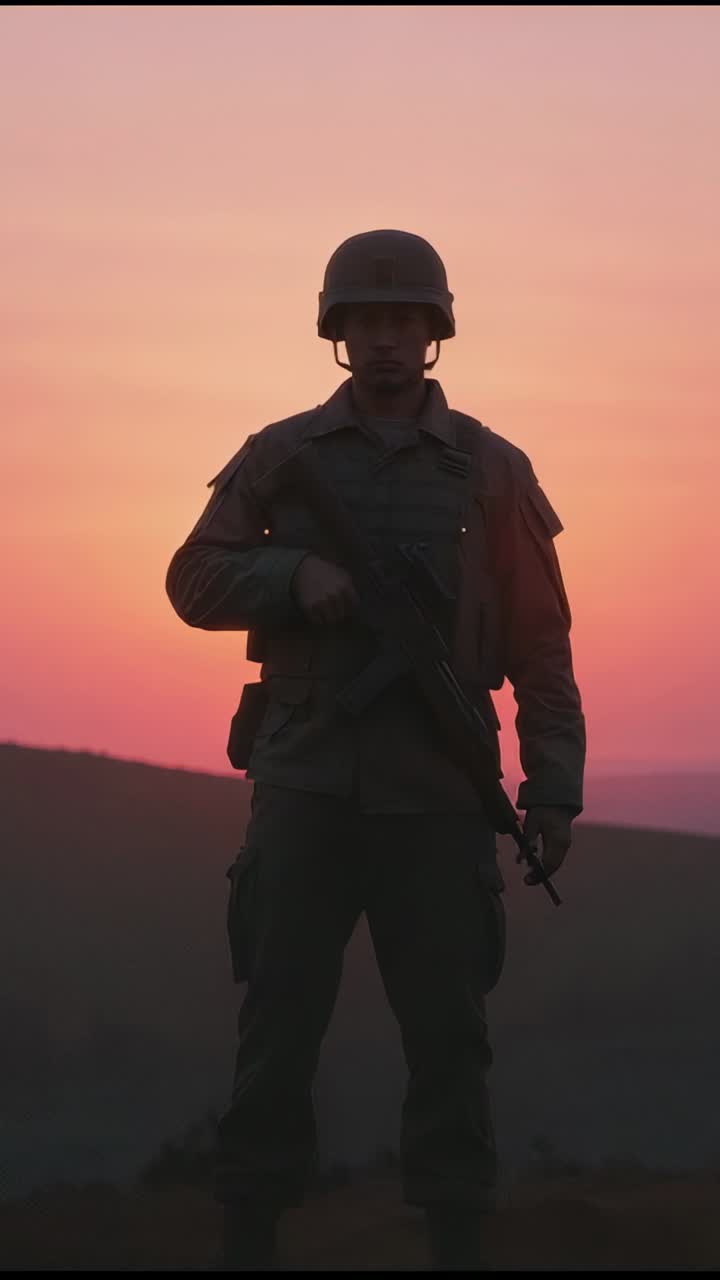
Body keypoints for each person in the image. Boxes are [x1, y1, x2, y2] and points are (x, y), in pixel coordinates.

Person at [165, 229, 586, 1270]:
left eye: (405, 320)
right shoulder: (281, 456)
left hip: (440, 790)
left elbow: (540, 644)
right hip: (306, 780)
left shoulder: (491, 468)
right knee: (274, 1037)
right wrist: (292, 573)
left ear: (436, 333)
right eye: (366, 320)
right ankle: (248, 1236)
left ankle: (455, 1239)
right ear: (337, 332)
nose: (387, 338)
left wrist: (555, 788)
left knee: (449, 1040)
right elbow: (192, 580)